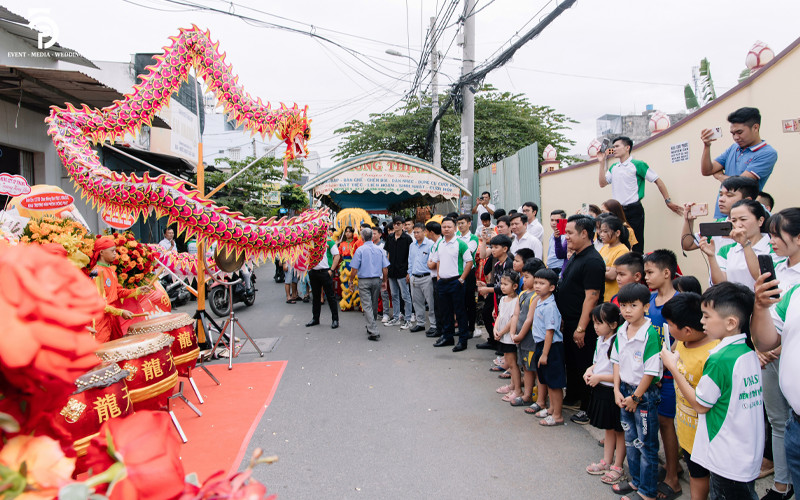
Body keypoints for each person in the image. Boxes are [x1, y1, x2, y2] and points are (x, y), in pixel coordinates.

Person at [662, 282, 763, 500]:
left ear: (731, 322)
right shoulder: (746, 350)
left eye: (707, 316)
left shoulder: (719, 359)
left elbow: (700, 404)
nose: (701, 321)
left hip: (726, 458)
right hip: (746, 454)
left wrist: (672, 367)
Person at [756, 209, 800, 500]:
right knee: (778, 422)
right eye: (769, 235)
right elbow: (771, 334)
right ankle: (784, 484)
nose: (771, 241)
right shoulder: (791, 288)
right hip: (796, 418)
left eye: (776, 234)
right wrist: (759, 306)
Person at [661, 292, 719, 500]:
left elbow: (701, 403)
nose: (668, 329)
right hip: (687, 432)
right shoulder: (683, 342)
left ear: (686, 330)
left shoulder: (713, 354)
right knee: (696, 474)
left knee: (711, 478)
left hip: (708, 436)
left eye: (670, 325)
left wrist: (672, 366)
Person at [610, 283, 663, 500]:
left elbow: (650, 372)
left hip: (643, 396)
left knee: (647, 445)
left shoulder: (650, 334)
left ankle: (647, 492)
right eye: (624, 305)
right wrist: (615, 389)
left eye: (634, 305)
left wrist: (636, 397)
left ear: (646, 307)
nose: (628, 310)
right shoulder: (622, 330)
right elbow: (616, 362)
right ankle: (636, 481)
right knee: (631, 441)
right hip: (624, 391)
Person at [556, 215, 605, 419]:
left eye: (570, 233)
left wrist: (581, 328)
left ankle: (587, 408)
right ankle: (574, 397)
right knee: (572, 363)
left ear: (584, 233)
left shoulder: (593, 261)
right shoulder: (576, 254)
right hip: (569, 321)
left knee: (584, 364)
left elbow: (591, 298)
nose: (566, 237)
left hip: (581, 323)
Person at [642, 249, 682, 500]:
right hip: (650, 373)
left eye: (649, 272)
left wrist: (666, 362)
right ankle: (669, 464)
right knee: (656, 421)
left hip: (668, 374)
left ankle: (674, 478)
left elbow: (681, 338)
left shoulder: (680, 302)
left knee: (667, 423)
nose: (645, 277)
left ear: (666, 273)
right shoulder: (649, 300)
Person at [597, 135, 683, 253]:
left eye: (617, 146)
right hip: (616, 211)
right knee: (617, 243)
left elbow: (657, 180)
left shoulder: (637, 164)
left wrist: (668, 201)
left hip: (634, 210)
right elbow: (602, 183)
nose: (614, 149)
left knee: (636, 245)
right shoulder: (614, 167)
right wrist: (601, 163)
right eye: (613, 146)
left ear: (627, 147)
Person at [700, 107, 778, 218]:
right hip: (721, 214)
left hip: (744, 216)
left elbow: (740, 184)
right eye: (733, 133)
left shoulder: (767, 153)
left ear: (755, 127)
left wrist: (719, 176)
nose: (736, 137)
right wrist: (707, 146)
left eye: (740, 132)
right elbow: (707, 170)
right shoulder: (734, 148)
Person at [584, 302, 626, 486]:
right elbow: (598, 362)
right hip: (602, 388)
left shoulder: (618, 342)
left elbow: (620, 374)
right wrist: (590, 369)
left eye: (600, 323)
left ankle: (618, 466)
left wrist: (599, 376)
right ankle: (606, 461)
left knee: (619, 430)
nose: (596, 327)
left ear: (614, 324)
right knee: (609, 428)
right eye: (594, 322)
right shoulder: (600, 340)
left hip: (613, 390)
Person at [700, 199, 780, 288]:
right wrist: (711, 256)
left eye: (743, 219)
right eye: (734, 220)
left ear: (760, 221)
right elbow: (720, 283)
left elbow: (761, 278)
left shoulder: (774, 247)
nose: (738, 224)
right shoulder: (726, 249)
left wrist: (745, 244)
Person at [90, 236, 151, 343]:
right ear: (102, 252)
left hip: (113, 317)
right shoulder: (96, 272)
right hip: (101, 320)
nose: (115, 254)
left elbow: (119, 292)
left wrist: (139, 290)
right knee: (102, 353)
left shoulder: (111, 271)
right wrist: (120, 312)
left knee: (117, 350)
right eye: (112, 251)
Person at [528, 268, 566, 427]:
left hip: (550, 347)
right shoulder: (540, 301)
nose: (537, 286)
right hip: (541, 344)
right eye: (536, 282)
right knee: (547, 379)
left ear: (551, 287)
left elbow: (550, 332)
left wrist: (544, 354)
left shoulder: (550, 306)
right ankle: (551, 409)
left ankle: (557, 415)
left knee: (554, 382)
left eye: (542, 283)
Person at [682, 176, 759, 253]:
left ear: (746, 200)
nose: (721, 199)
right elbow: (688, 245)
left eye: (729, 195)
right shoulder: (717, 225)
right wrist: (688, 221)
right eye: (721, 194)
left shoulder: (758, 225)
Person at [429, 217, 473, 352]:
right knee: (445, 312)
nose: (446, 229)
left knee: (460, 312)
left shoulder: (461, 244)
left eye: (449, 227)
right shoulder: (439, 244)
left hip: (456, 281)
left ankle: (462, 341)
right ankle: (447, 337)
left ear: (455, 228)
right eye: (444, 227)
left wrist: (462, 279)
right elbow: (437, 261)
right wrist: (439, 278)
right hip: (442, 282)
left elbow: (469, 262)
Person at [509, 259, 540, 408]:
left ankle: (537, 397)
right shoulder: (522, 294)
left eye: (527, 276)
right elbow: (516, 314)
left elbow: (529, 319)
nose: (523, 279)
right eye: (523, 276)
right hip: (520, 338)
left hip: (530, 339)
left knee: (535, 368)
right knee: (526, 367)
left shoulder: (536, 296)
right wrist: (513, 331)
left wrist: (520, 335)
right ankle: (527, 394)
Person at [350, 227, 390, 341]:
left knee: (367, 305)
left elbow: (354, 269)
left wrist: (351, 280)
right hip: (376, 279)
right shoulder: (379, 250)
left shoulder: (360, 250)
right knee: (373, 304)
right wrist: (384, 281)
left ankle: (374, 330)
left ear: (362, 237)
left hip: (364, 280)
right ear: (372, 236)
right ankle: (371, 325)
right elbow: (385, 268)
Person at [476, 234, 514, 350]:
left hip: (508, 298)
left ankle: (504, 348)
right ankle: (494, 341)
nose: (492, 250)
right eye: (492, 247)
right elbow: (498, 283)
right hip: (498, 298)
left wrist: (487, 289)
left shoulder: (509, 264)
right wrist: (486, 285)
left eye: (496, 247)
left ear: (505, 249)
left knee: (505, 322)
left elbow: (506, 287)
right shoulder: (497, 264)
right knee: (488, 314)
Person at [493, 271, 522, 403]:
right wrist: (495, 329)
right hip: (502, 335)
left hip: (509, 336)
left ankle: (517, 390)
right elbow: (499, 315)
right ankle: (512, 385)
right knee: (509, 362)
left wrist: (502, 331)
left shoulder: (517, 301)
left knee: (512, 363)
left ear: (515, 286)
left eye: (506, 284)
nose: (502, 286)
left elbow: (512, 320)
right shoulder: (502, 299)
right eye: (502, 284)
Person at [306, 232, 340, 329]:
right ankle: (315, 319)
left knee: (330, 297)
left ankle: (335, 320)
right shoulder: (310, 240)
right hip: (313, 272)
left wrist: (332, 270)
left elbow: (337, 255)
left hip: (325, 272)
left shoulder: (329, 241)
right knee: (315, 297)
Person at [407, 223, 436, 334]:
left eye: (418, 232)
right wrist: (410, 274)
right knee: (417, 302)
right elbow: (410, 261)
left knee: (431, 302)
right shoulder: (412, 245)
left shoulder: (430, 244)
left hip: (427, 277)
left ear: (424, 232)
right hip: (415, 277)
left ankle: (434, 325)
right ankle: (420, 323)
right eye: (414, 232)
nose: (416, 234)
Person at [384, 216, 413, 328]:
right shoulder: (390, 237)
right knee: (394, 295)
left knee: (406, 296)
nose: (396, 225)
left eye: (399, 223)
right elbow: (388, 254)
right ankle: (396, 318)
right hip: (392, 271)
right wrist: (386, 268)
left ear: (403, 225)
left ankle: (408, 319)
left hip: (403, 271)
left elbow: (410, 257)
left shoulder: (407, 239)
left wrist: (408, 272)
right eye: (395, 223)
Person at [598, 216, 631, 303]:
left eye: (605, 231)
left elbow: (612, 275)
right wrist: (607, 268)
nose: (601, 234)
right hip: (601, 295)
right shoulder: (604, 248)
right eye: (601, 231)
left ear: (617, 233)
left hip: (611, 298)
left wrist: (598, 269)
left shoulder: (622, 250)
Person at [456, 214, 479, 337]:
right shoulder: (456, 236)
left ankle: (471, 328)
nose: (460, 226)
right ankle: (462, 327)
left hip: (469, 272)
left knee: (470, 301)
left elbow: (465, 252)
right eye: (458, 223)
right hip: (458, 272)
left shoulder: (473, 238)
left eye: (462, 223)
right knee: (460, 301)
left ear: (469, 224)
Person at [425, 221, 444, 338]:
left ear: (431, 232)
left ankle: (441, 329)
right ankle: (438, 328)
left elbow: (432, 265)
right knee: (436, 305)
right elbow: (430, 262)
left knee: (440, 305)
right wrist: (430, 262)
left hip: (439, 278)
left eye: (426, 231)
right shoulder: (435, 244)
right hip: (434, 278)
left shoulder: (440, 243)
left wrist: (430, 262)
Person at [547, 209, 567, 275]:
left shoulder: (566, 236)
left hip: (560, 268)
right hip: (550, 267)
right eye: (552, 220)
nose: (554, 223)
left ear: (563, 221)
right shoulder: (552, 235)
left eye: (557, 220)